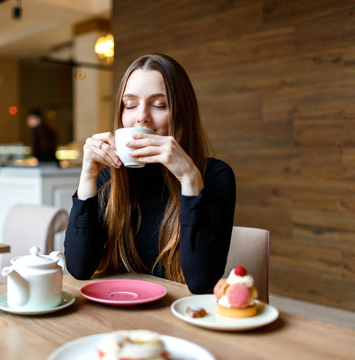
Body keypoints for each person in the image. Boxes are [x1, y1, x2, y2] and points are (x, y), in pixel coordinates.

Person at [64, 54, 236, 294]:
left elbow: (201, 283)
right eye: (130, 104)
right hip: (119, 311)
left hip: (180, 318)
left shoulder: (215, 176)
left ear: (182, 113)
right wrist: (87, 177)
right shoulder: (111, 179)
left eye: (159, 105)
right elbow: (78, 268)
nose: (141, 116)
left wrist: (189, 179)